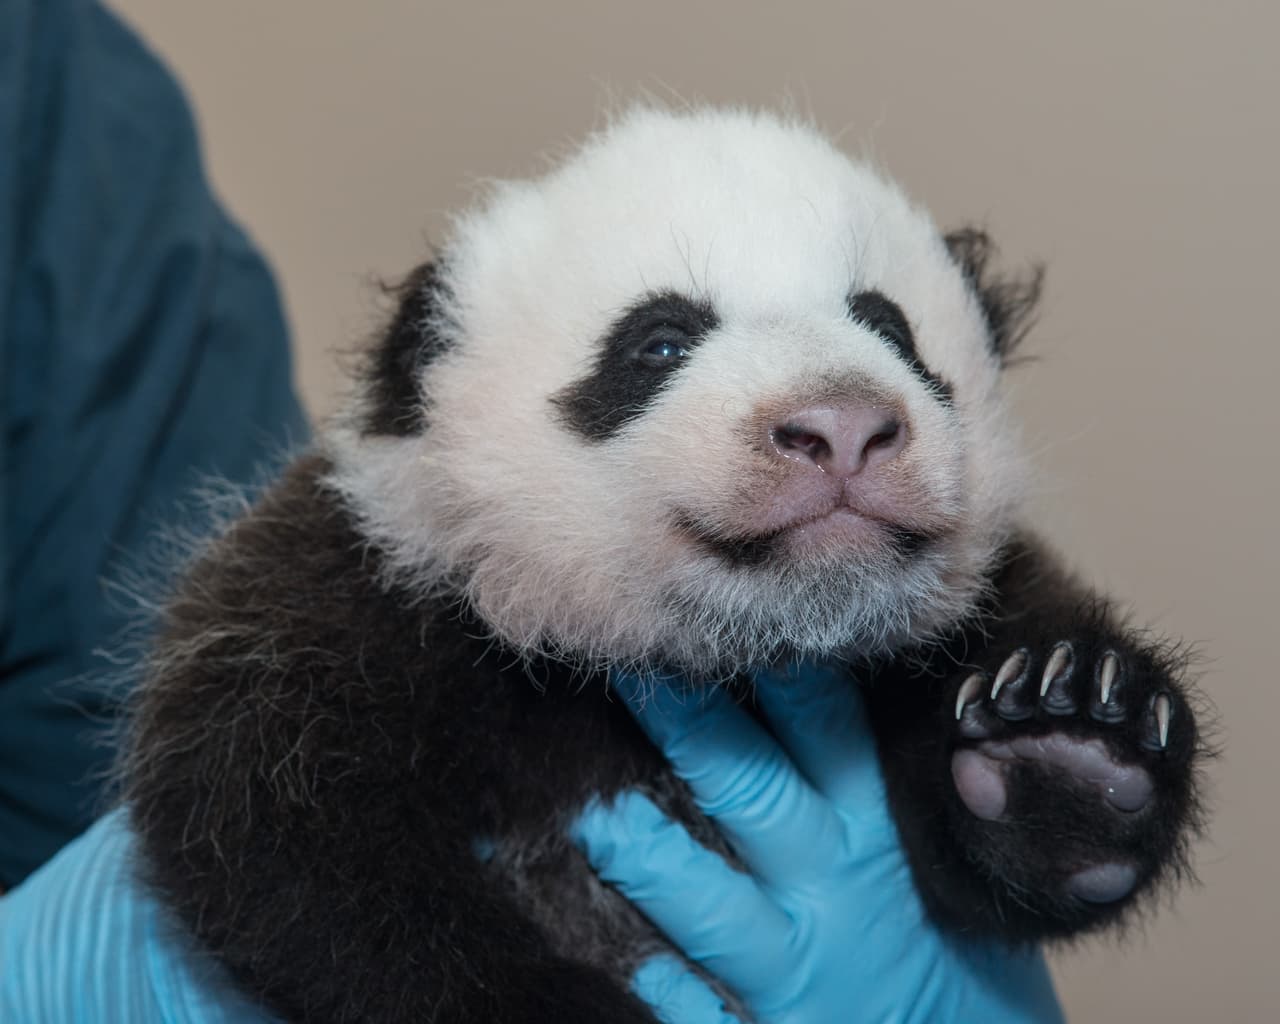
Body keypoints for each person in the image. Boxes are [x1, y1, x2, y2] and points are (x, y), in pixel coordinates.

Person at [0, 2, 1062, 1019]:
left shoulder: (59, 121)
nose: (840, 409)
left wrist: (1057, 811)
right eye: (660, 346)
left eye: (878, 320)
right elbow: (247, 823)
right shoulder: (346, 594)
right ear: (437, 376)